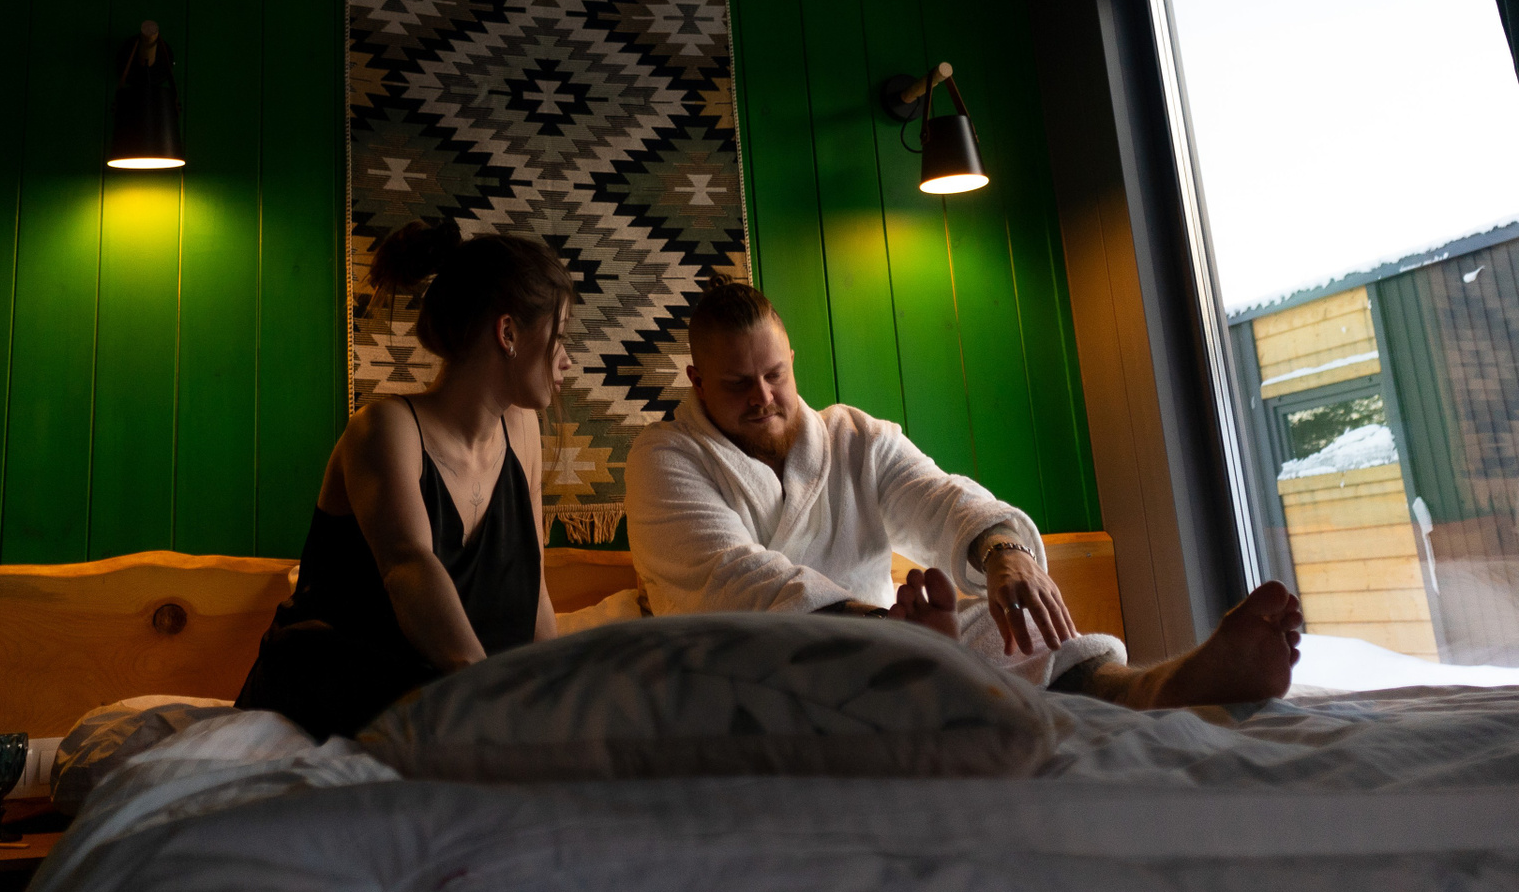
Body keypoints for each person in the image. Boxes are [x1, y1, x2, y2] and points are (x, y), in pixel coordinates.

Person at [626, 281, 1304, 708]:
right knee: (935, 647)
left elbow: (938, 496)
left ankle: (1152, 687)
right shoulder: (664, 458)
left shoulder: (853, 437)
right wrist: (884, 632)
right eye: (737, 384)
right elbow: (736, 579)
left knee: (993, 622)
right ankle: (928, 680)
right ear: (697, 380)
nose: (763, 397)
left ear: (792, 362)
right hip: (747, 672)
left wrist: (1005, 553)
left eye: (774, 374)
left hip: (898, 647)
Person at [236, 221, 572, 737]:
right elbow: (409, 569)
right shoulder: (385, 429)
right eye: (560, 336)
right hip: (334, 683)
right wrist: (490, 701)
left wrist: (565, 695)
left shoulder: (523, 430)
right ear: (507, 333)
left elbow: (535, 595)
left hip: (444, 690)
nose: (567, 360)